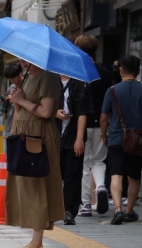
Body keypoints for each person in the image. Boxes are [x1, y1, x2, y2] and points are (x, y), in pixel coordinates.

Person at [6, 59, 64, 248]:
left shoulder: (48, 77)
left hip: (39, 138)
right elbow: (22, 110)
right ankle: (35, 242)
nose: (23, 60)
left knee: (37, 186)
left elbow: (46, 112)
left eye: (28, 56)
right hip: (26, 135)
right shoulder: (29, 77)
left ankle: (36, 243)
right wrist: (16, 102)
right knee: (28, 185)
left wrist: (21, 101)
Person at [100, 55, 142, 225]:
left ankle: (117, 210)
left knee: (116, 174)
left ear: (121, 71)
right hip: (137, 141)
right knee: (134, 177)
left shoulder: (112, 91)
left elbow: (103, 118)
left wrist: (105, 136)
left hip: (117, 138)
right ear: (139, 71)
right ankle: (129, 211)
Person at [74, 35, 114, 217]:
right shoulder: (104, 73)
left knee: (83, 165)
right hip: (100, 123)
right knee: (98, 161)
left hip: (79, 125)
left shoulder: (75, 71)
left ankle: (85, 205)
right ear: (95, 50)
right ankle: (100, 186)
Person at [57, 74, 93, 225]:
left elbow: (82, 114)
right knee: (53, 175)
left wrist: (79, 139)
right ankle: (51, 209)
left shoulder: (81, 84)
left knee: (73, 175)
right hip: (54, 135)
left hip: (73, 135)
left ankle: (69, 212)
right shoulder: (51, 81)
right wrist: (54, 113)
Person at [3, 63, 24, 137]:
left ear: (20, 74)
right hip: (10, 123)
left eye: (13, 78)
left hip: (22, 125)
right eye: (10, 79)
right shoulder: (12, 87)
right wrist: (8, 100)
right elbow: (5, 98)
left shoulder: (27, 86)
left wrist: (16, 100)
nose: (12, 81)